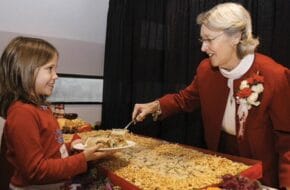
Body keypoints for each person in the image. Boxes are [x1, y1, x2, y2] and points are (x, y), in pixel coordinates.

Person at [132, 2, 290, 189]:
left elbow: (287, 141)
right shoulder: (206, 70)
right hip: (223, 166)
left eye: (209, 39)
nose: (203, 48)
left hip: (263, 174)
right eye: (202, 40)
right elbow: (185, 99)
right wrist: (155, 106)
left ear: (236, 37)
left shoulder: (275, 76)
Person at [0, 36, 114, 189]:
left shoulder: (41, 108)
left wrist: (70, 148)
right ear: (26, 70)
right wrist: (82, 159)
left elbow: (49, 150)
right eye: (50, 69)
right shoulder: (22, 114)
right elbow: (35, 171)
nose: (56, 75)